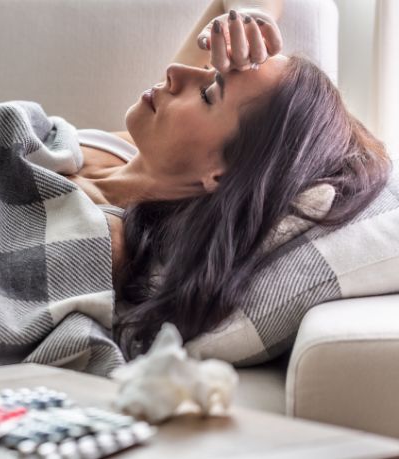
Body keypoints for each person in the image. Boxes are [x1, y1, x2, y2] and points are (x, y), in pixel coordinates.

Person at [62, 0, 392, 356]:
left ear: (219, 173)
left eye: (208, 94)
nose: (175, 72)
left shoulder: (103, 236)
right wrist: (248, 16)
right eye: (208, 67)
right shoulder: (131, 149)